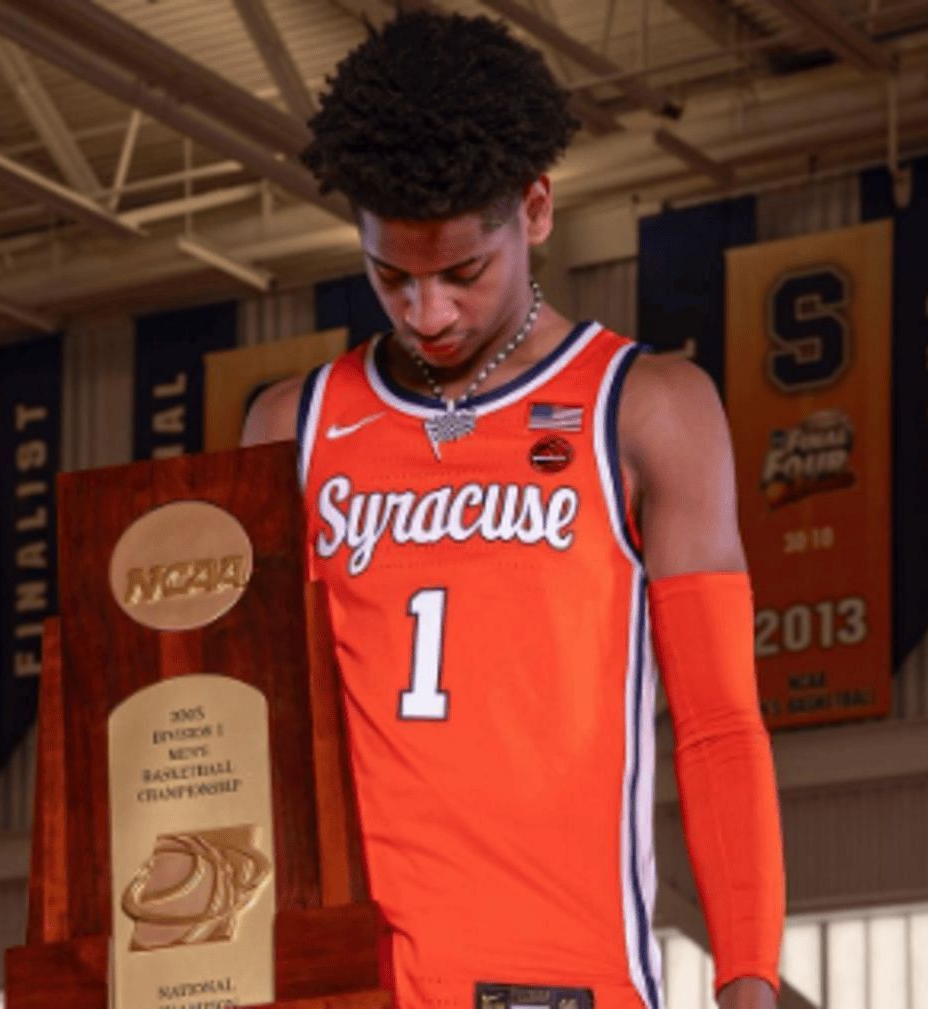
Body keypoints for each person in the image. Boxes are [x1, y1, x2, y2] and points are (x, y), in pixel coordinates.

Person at [242, 11, 784, 1009]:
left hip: (558, 975)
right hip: (342, 983)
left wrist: (747, 977)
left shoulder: (647, 409)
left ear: (534, 210)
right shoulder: (292, 427)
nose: (427, 312)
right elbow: (242, 733)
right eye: (391, 277)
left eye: (462, 273)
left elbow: (716, 722)